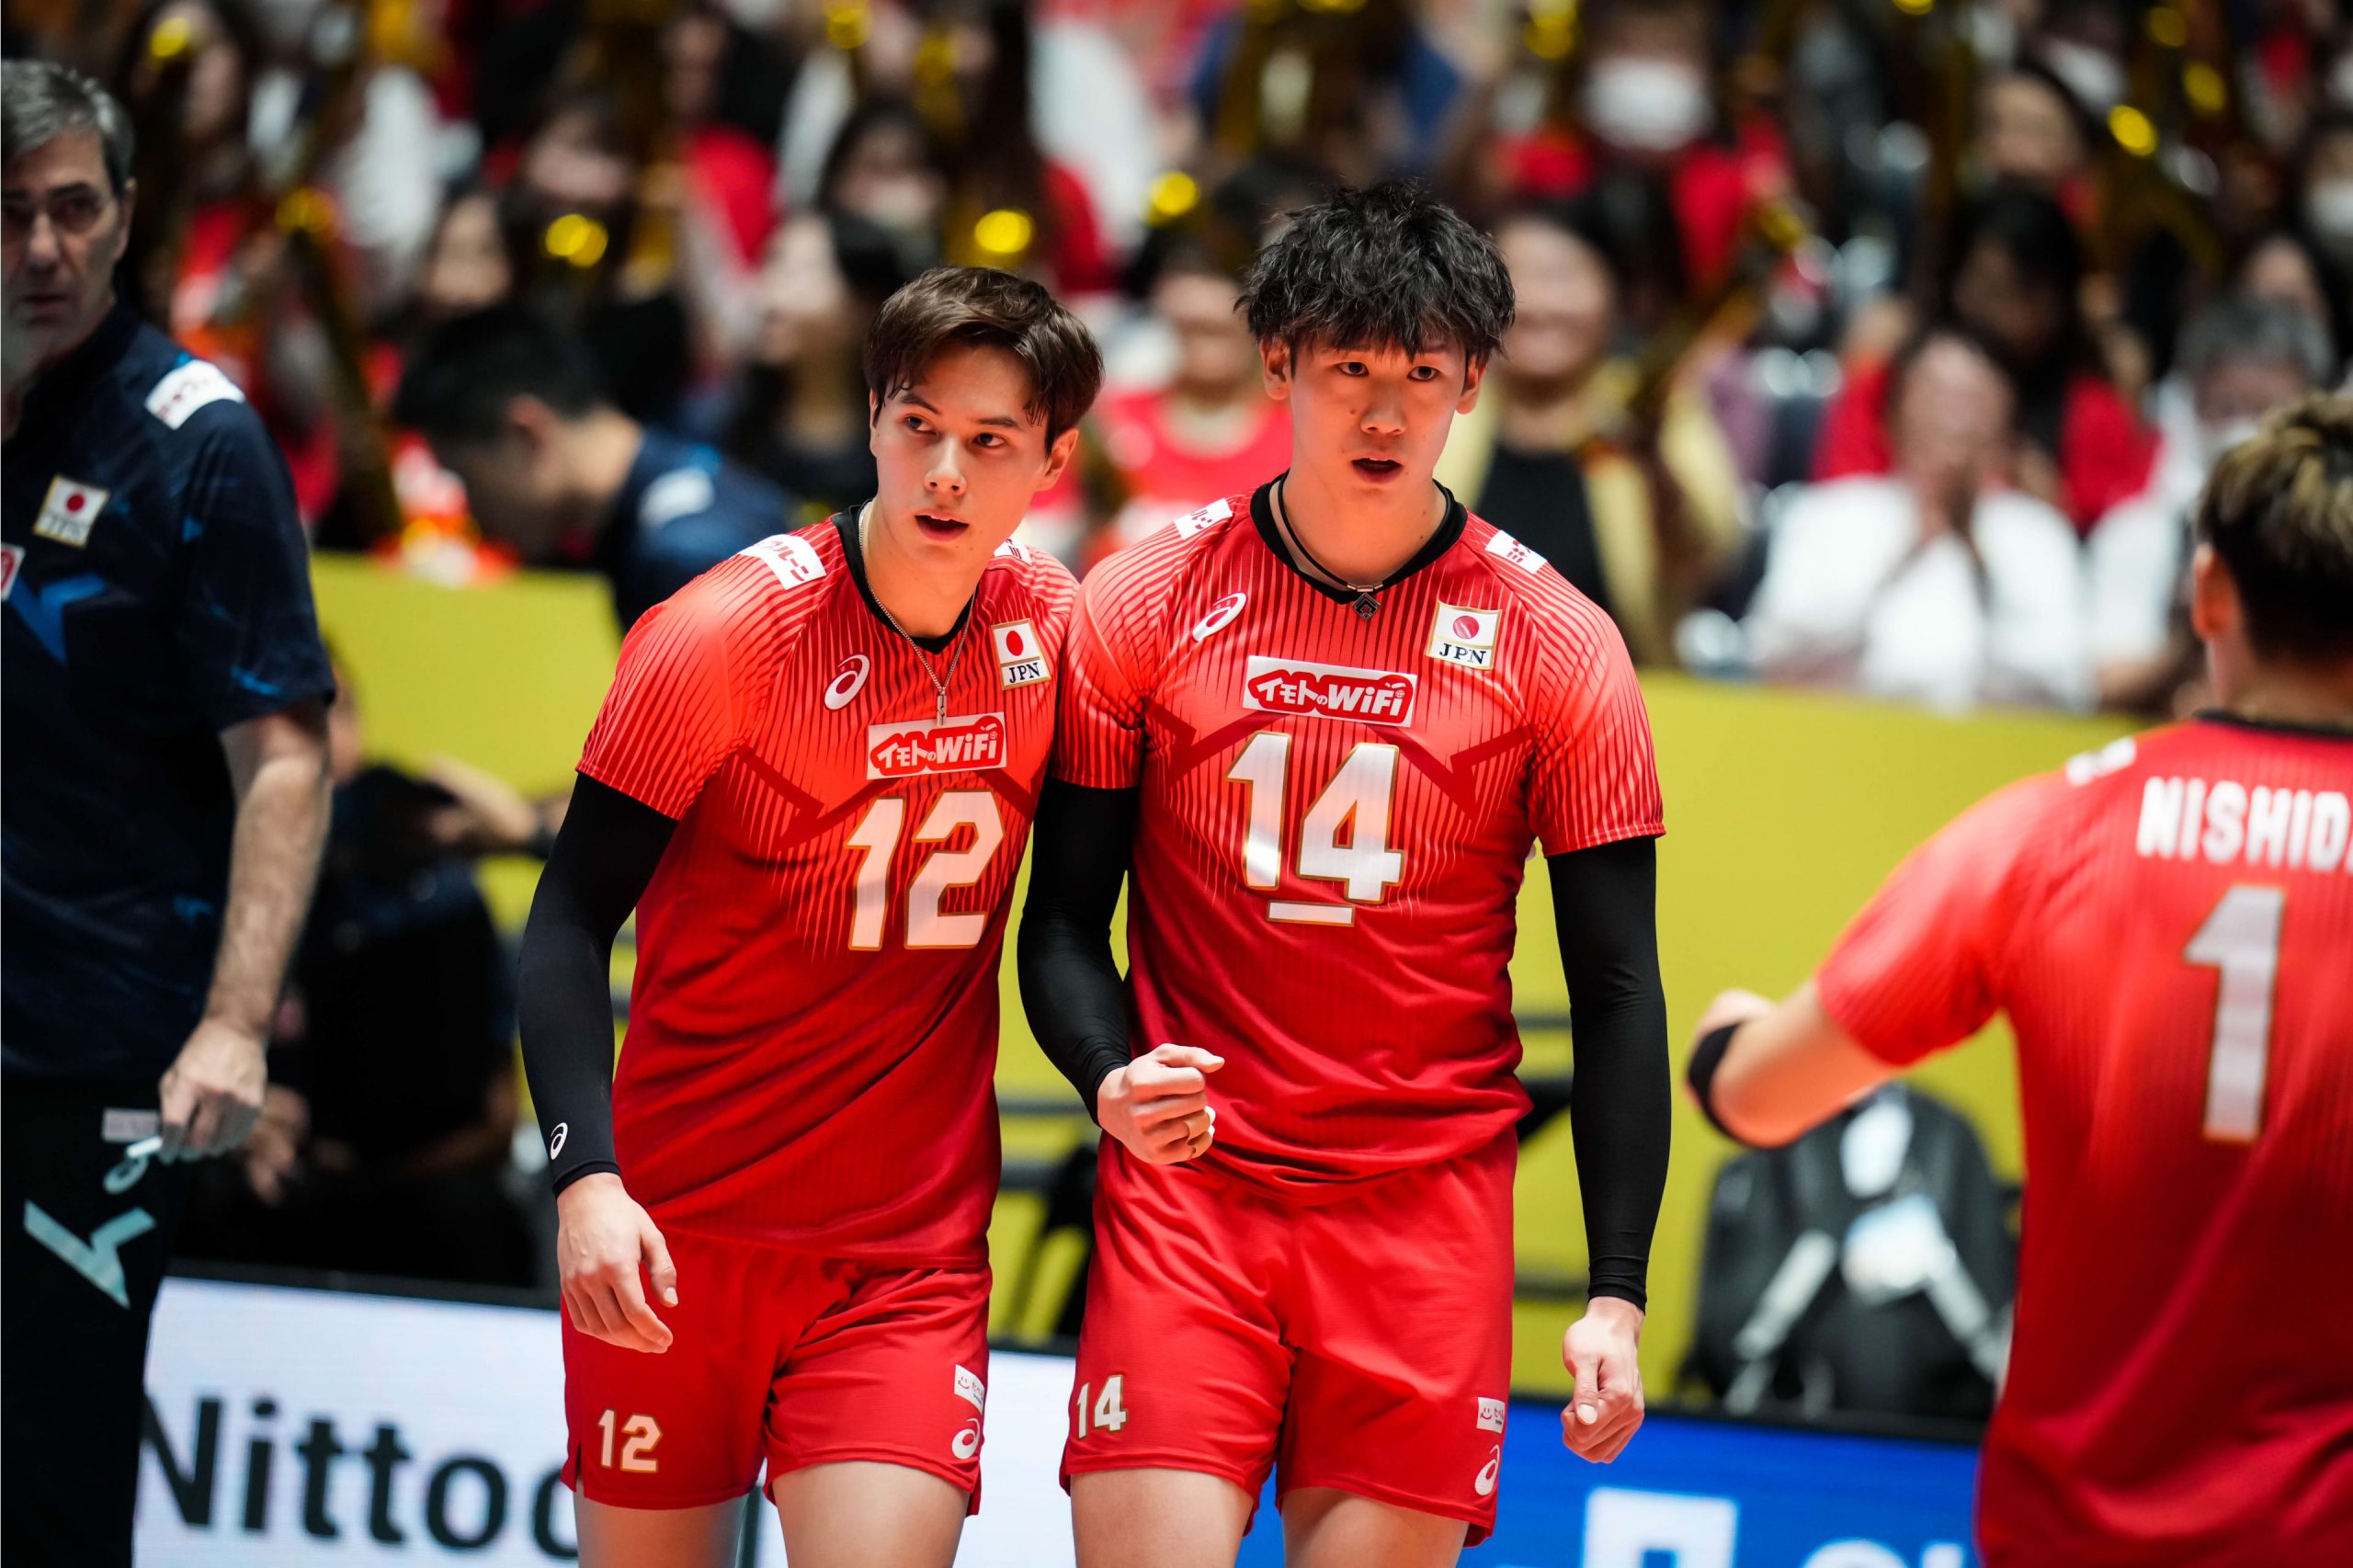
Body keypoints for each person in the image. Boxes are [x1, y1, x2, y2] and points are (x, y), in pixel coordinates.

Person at [1019, 182, 1670, 1567]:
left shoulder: (1560, 643)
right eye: (1349, 370)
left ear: (1473, 381)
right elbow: (1064, 918)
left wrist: (1616, 1291)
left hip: (1423, 1220)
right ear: (1280, 365)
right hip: (1192, 1192)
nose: (1384, 413)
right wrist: (1108, 1078)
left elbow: (1618, 988)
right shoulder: (1141, 597)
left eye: (1421, 375)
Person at [1686, 396, 2353, 1566]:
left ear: (2207, 593)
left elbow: (1760, 1098)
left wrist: (1723, 1043)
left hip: (2071, 1533)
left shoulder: (2052, 831)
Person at [517, 265, 1100, 1567]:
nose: (944, 472)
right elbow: (566, 923)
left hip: (905, 1259)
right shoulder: (719, 633)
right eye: (918, 425)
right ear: (873, 419)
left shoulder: (1059, 629)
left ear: (1052, 461)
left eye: (989, 441)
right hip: (675, 1235)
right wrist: (584, 1177)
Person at [2, 61, 335, 1567]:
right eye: (10, 213)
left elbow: (285, 757)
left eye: (75, 209)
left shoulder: (197, 438)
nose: (44, 248)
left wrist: (236, 1023)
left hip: (95, 1051)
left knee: (48, 1484)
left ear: (128, 217)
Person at [1436, 197, 1744, 665]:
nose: (1538, 304)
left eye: (1562, 278)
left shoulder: (1655, 406)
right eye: (1514, 279)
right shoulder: (1438, 408)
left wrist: (1653, 461)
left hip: (1623, 693)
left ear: (1615, 295)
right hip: (1451, 692)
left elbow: (1707, 556)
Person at [1744, 324, 2093, 713]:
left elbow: (2067, 687)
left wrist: (1981, 567)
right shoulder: (1826, 514)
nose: (1954, 415)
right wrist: (1898, 561)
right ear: (1894, 412)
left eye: (1973, 398)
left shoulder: (2040, 535)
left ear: (2006, 421)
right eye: (1936, 394)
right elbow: (1771, 654)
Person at [392, 301, 793, 631]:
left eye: (467, 478)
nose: (471, 513)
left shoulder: (684, 560)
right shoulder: (689, 486)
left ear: (527, 435)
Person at [1816, 185, 2155, 532]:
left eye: (2029, 293)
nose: (2010, 316)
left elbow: (2121, 534)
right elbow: (1839, 502)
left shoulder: (2094, 414)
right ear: (1954, 279)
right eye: (1992, 290)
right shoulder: (1884, 387)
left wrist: (2055, 509)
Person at [2091, 296, 2334, 711]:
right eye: (2224, 407)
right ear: (2192, 406)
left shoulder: (2335, 541)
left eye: (2269, 412)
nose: (2244, 430)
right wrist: (2200, 628)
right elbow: (2107, 685)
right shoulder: (2139, 532)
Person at [1083, 242, 1290, 563]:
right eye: (1189, 329)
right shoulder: (1113, 419)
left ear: (1256, 336)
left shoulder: (1295, 437)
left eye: (1217, 332)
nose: (1202, 348)